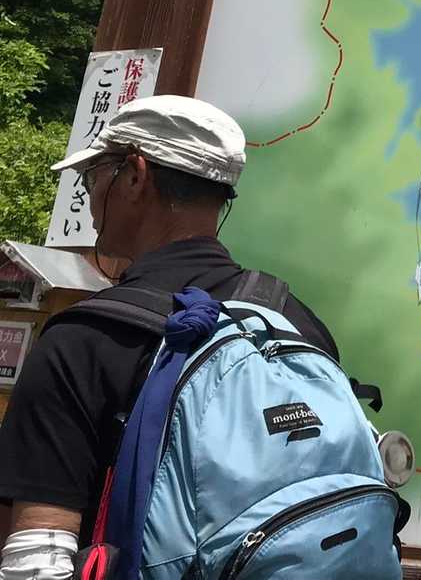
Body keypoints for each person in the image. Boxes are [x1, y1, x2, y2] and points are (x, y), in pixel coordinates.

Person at [0, 95, 339, 579]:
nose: (90, 193)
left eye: (93, 174)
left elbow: (36, 555)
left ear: (135, 176)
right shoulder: (296, 324)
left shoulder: (83, 341)